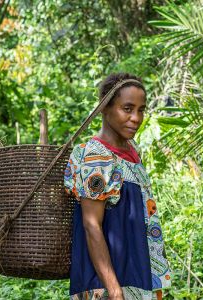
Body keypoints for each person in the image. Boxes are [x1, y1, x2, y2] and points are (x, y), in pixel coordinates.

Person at [64, 73, 171, 300]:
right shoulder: (97, 156)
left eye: (141, 110)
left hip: (137, 278)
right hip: (108, 286)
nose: (136, 118)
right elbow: (91, 225)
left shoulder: (131, 151)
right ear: (105, 107)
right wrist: (114, 290)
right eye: (127, 108)